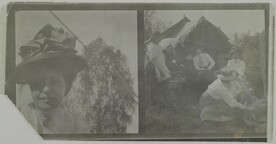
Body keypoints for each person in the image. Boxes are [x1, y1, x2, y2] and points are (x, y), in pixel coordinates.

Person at [17, 24, 90, 133]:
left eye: (54, 82)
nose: (46, 89)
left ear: (67, 84)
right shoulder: (20, 118)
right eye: (38, 82)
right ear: (30, 85)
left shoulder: (77, 127)